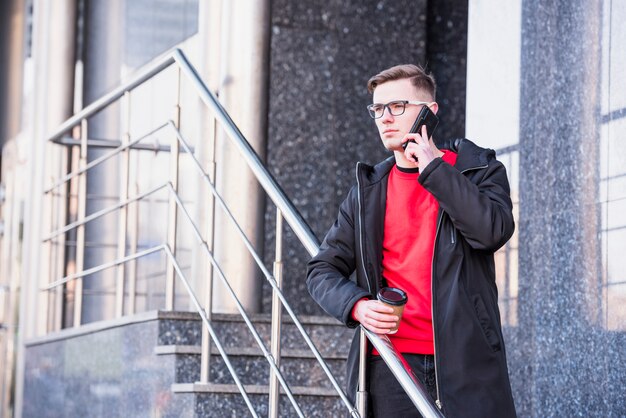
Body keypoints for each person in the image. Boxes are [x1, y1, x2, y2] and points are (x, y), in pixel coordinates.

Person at [306, 64, 517, 418]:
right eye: (377, 109)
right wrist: (357, 305)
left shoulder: (477, 170)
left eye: (398, 106)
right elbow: (321, 270)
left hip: (466, 359)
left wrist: (434, 170)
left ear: (430, 112)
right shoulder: (367, 191)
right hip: (390, 364)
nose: (385, 118)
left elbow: (491, 231)